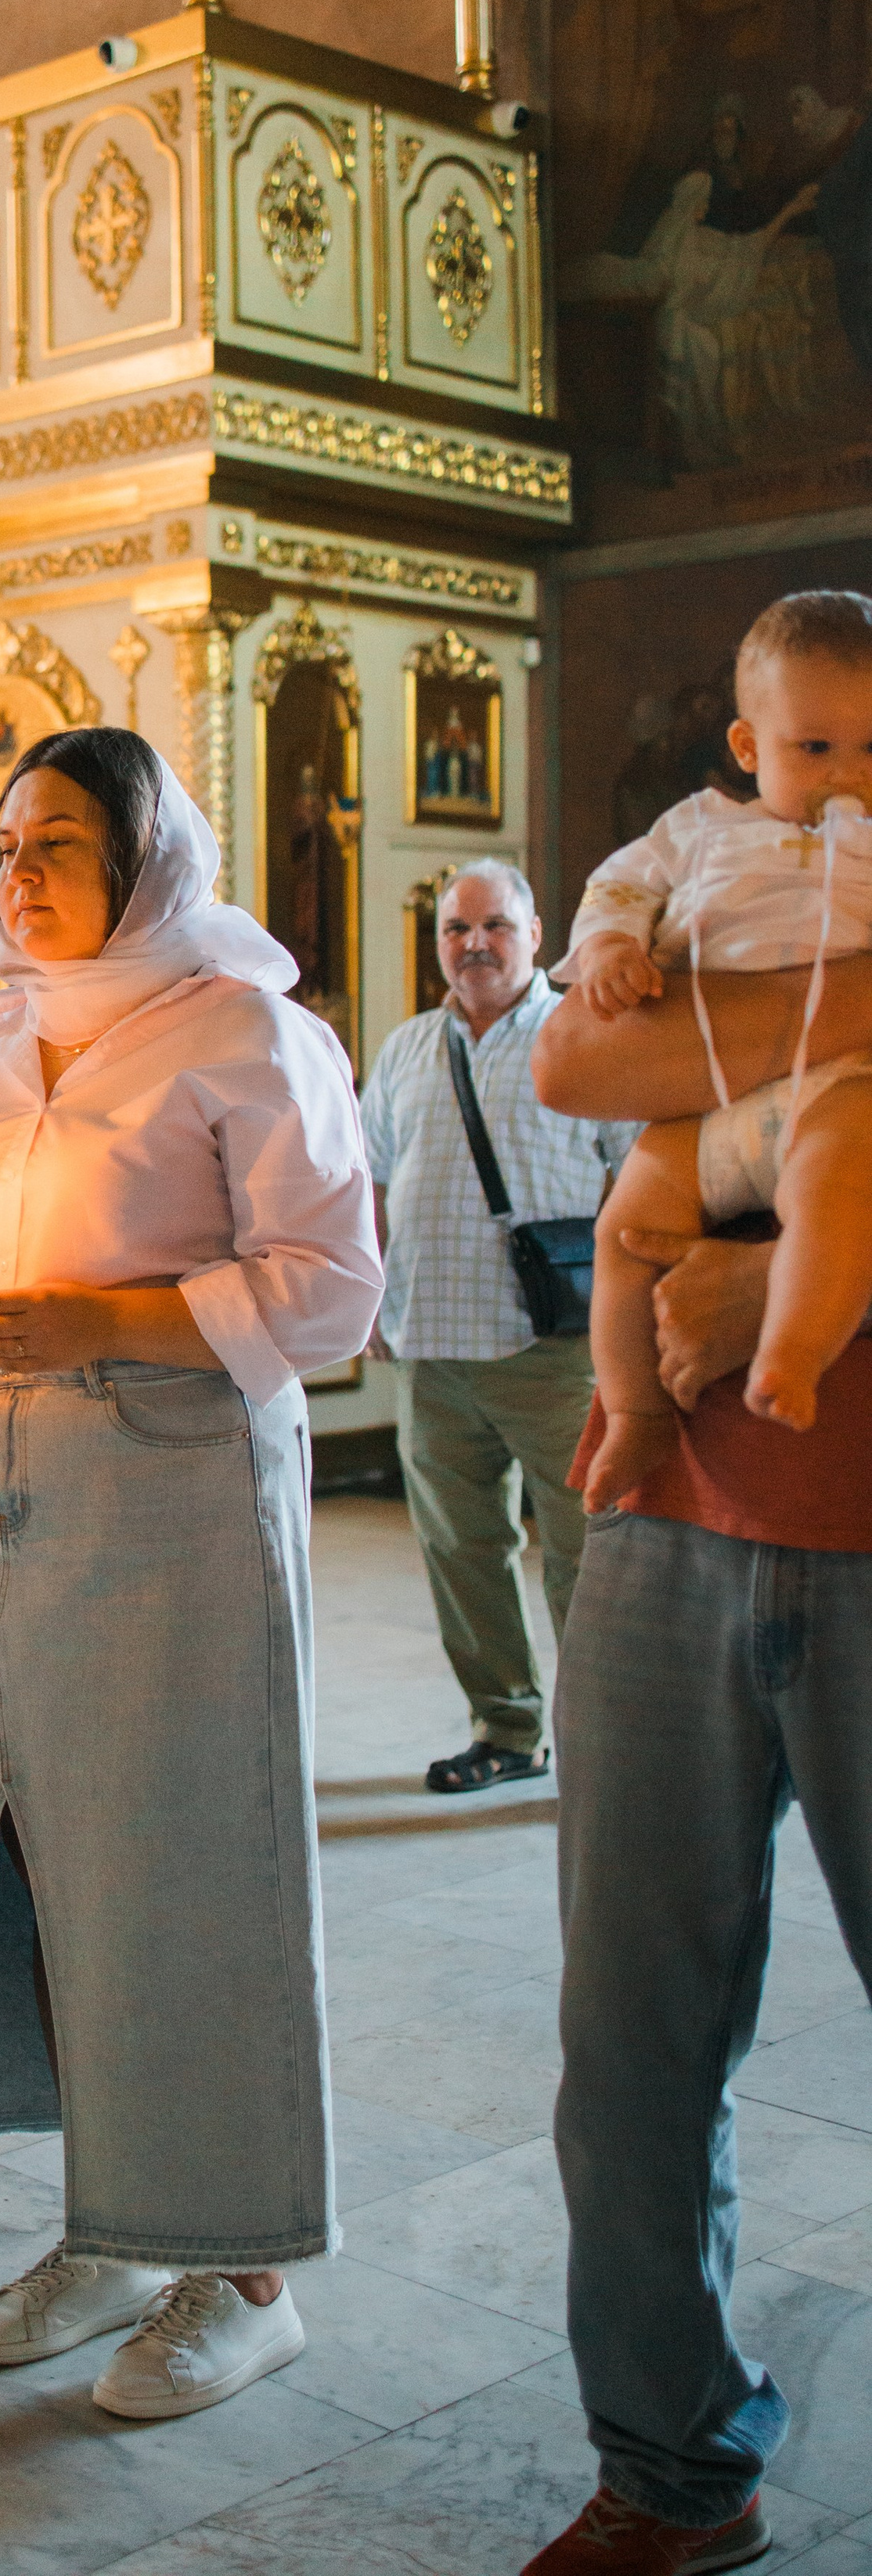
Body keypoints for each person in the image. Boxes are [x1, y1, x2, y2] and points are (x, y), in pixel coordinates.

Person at [0, 729, 380, 2423]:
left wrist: (116, 1321)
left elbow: (329, 1292)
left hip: (174, 1489)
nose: (17, 872)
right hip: (3, 1489)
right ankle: (113, 2228)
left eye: (55, 839)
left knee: (185, 1858)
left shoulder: (245, 1033)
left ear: (147, 855)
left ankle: (245, 2269)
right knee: (42, 1862)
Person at [521, 897, 872, 2574]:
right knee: (631, 2051)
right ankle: (670, 2465)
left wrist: (792, 1292)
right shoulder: (723, 875)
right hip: (660, 1516)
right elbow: (579, 1054)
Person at [564, 590, 872, 1495]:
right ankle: (633, 1412)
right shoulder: (699, 830)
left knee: (835, 1188)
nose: (846, 775)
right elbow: (618, 889)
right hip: (702, 1111)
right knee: (626, 1228)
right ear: (748, 748)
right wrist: (611, 947)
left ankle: (791, 1348)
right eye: (814, 749)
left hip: (833, 1090)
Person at [358, 862, 634, 1793]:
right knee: (462, 1554)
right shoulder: (404, 1049)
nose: (473, 943)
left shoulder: (585, 1031)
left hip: (553, 1351)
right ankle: (508, 1730)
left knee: (586, 1556)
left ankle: (605, 1745)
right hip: (433, 1346)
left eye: (495, 925)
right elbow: (375, 1187)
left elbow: (635, 1175)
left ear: (535, 929)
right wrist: (371, 1302)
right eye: (454, 928)